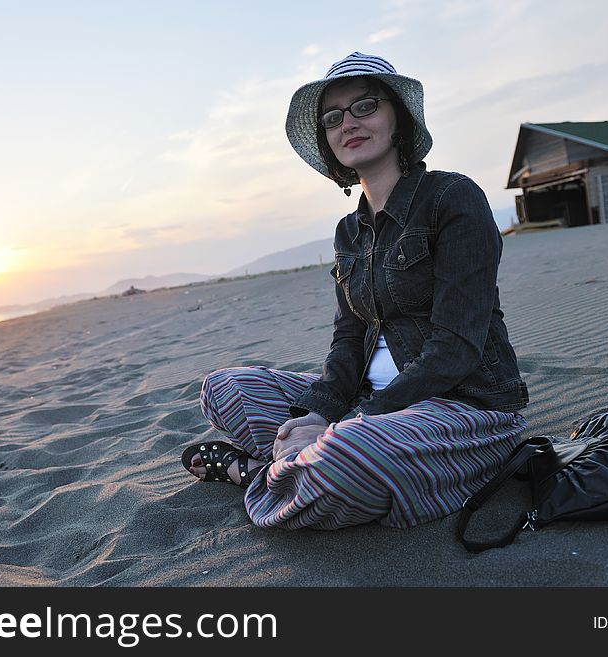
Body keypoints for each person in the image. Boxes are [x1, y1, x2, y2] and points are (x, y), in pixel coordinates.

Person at [180, 52, 529, 530]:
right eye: (333, 117)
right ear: (326, 140)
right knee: (226, 388)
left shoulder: (451, 198)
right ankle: (301, 467)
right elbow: (348, 340)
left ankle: (259, 472)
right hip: (366, 404)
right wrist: (323, 410)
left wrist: (346, 423)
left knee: (345, 455)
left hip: (461, 406)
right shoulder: (349, 233)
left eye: (366, 106)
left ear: (397, 119)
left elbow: (456, 348)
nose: (349, 123)